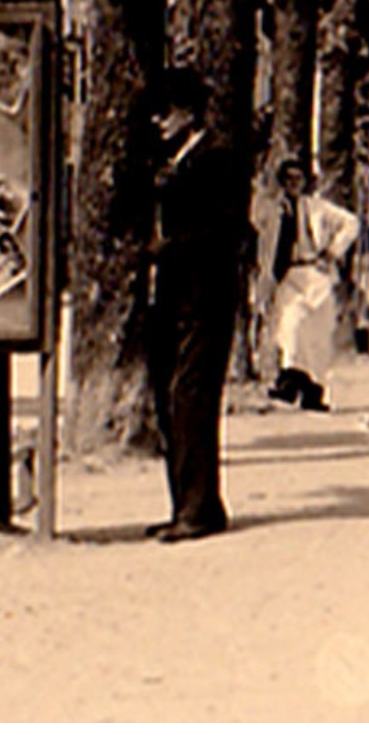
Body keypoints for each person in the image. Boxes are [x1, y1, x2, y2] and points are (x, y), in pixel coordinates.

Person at [143, 69, 241, 543]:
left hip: (205, 297)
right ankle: (189, 502)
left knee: (191, 400)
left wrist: (167, 248)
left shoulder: (216, 159)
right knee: (172, 400)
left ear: (190, 112)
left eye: (167, 109)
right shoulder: (174, 160)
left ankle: (198, 509)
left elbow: (225, 233)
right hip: (174, 297)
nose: (158, 119)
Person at [255, 160, 360, 412]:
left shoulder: (317, 208)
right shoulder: (273, 210)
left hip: (314, 271)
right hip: (288, 275)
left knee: (317, 336)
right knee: (289, 326)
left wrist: (332, 252)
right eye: (288, 179)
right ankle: (288, 379)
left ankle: (313, 390)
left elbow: (351, 223)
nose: (293, 184)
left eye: (298, 179)